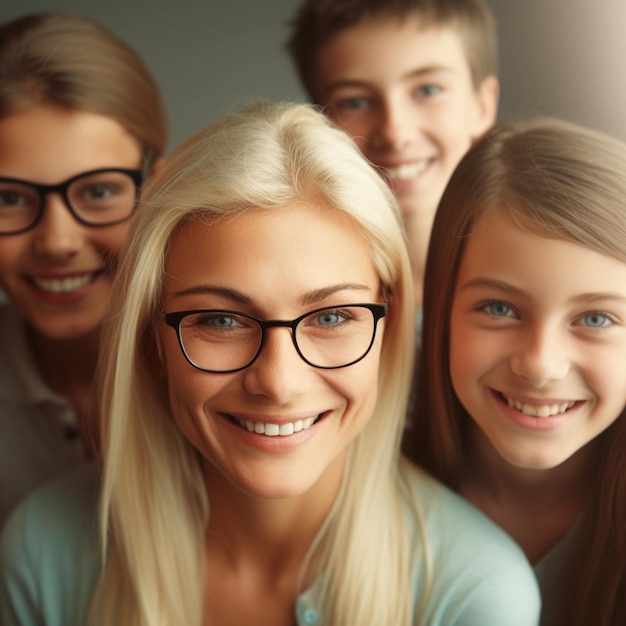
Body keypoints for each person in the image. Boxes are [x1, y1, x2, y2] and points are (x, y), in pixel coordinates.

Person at [1, 102, 540, 625]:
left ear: (389, 326)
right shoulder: (44, 551)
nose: (278, 383)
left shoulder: (477, 593)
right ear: (152, 341)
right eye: (221, 321)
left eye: (331, 317)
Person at [405, 117, 626, 625]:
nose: (540, 365)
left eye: (595, 318)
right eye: (500, 309)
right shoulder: (368, 483)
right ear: (439, 310)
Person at [0, 13, 166, 528]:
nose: (57, 242)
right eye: (9, 197)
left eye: (98, 191)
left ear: (157, 184)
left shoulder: (231, 367)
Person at [287, 0, 499, 311]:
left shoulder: (539, 267)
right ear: (320, 121)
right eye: (355, 102)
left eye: (427, 90)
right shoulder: (305, 290)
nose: (395, 133)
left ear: (482, 106)